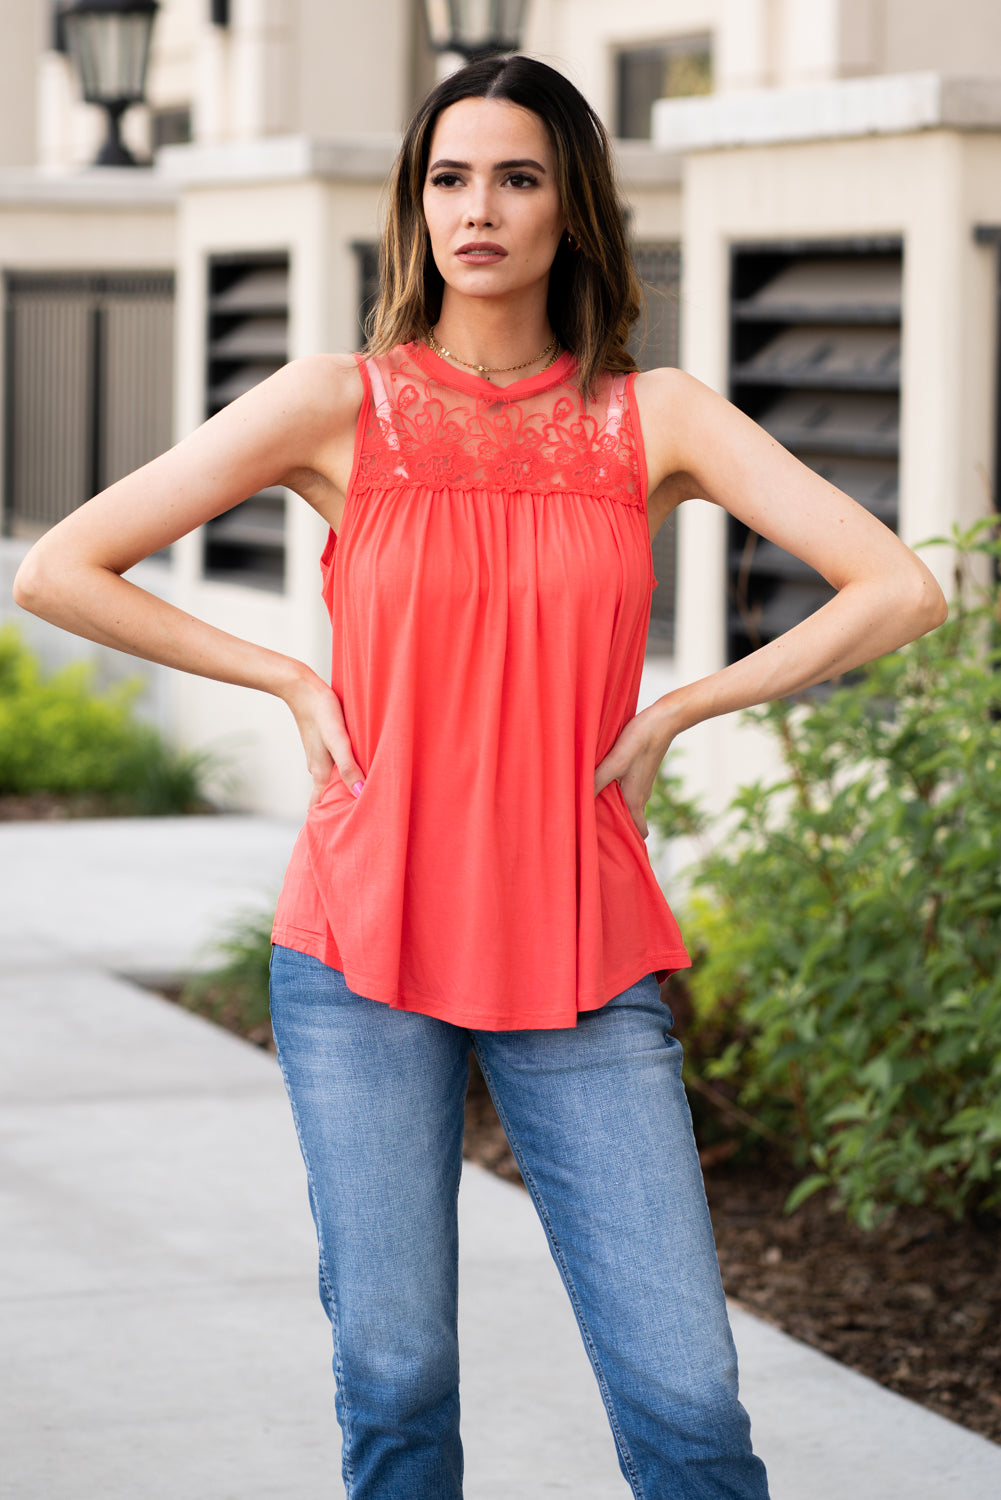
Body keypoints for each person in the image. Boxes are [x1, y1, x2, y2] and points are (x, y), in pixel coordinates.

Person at [14, 52, 946, 1500]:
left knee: (688, 1399)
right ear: (415, 204)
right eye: (450, 178)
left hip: (582, 945)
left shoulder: (656, 417)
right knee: (395, 1379)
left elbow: (896, 588)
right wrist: (289, 677)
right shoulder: (338, 404)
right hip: (361, 946)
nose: (479, 210)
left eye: (517, 178)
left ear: (572, 207)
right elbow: (62, 568)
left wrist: (682, 708)